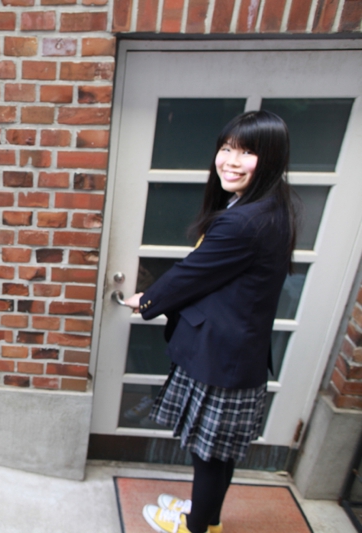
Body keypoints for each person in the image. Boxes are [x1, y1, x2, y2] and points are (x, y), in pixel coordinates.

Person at [123, 110, 298, 533]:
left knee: (208, 454)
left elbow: (193, 272)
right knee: (219, 452)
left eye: (247, 152)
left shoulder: (243, 221)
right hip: (236, 352)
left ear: (272, 159)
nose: (231, 161)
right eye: (226, 148)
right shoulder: (270, 206)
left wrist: (148, 300)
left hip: (222, 357)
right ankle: (209, 519)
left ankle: (194, 526)